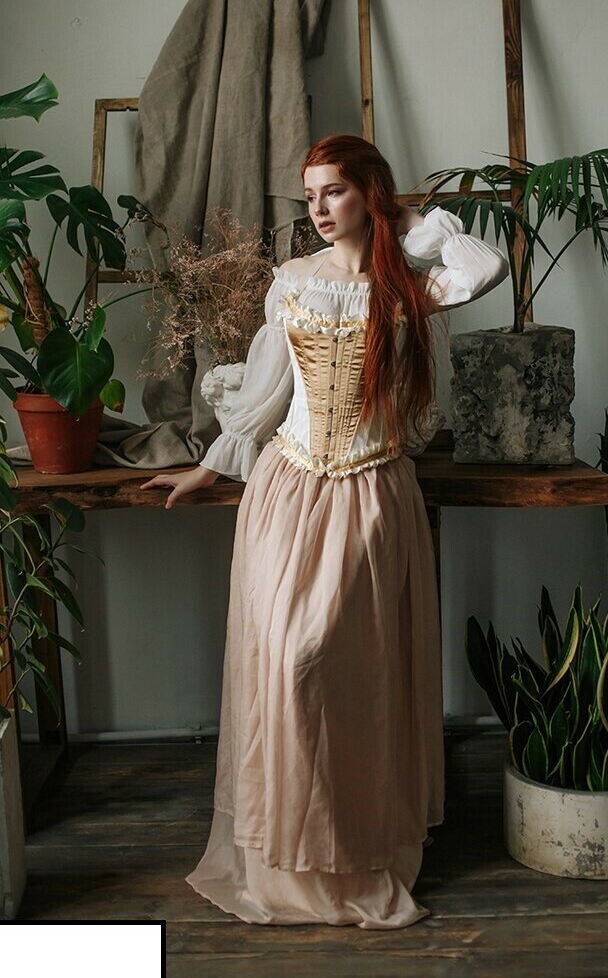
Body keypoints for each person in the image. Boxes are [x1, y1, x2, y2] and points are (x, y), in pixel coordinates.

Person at [140, 134, 509, 928]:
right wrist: (210, 465)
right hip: (289, 489)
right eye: (309, 195)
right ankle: (286, 853)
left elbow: (487, 267)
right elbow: (266, 393)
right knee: (287, 660)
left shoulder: (409, 285)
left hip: (371, 494)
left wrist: (409, 221)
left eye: (334, 191)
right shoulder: (294, 282)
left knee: (352, 674)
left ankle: (356, 848)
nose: (317, 208)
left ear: (369, 193)